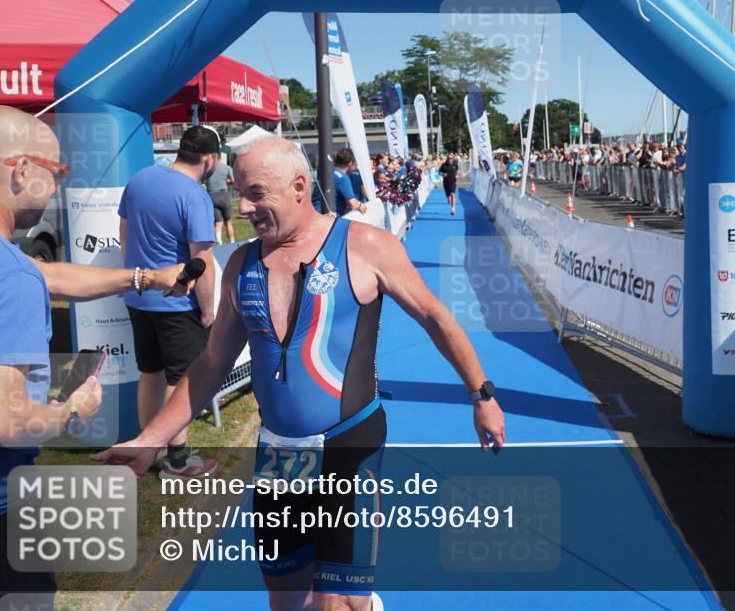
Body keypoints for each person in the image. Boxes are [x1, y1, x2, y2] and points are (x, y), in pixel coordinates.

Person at [94, 137, 506, 611]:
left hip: (349, 444)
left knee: (336, 602)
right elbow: (210, 364)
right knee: (286, 598)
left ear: (298, 187)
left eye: (255, 193)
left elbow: (436, 317)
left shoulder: (365, 245)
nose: (243, 206)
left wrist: (482, 393)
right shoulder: (241, 266)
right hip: (279, 454)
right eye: (237, 191)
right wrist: (149, 442)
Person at [0, 106, 193, 610]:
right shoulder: (5, 276)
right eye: (56, 172)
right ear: (21, 170)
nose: (55, 186)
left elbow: (50, 277)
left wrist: (143, 277)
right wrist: (73, 408)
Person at [119, 124, 220, 479]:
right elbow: (202, 260)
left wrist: (135, 277)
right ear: (210, 159)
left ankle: (146, 449)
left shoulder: (140, 179)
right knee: (183, 381)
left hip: (139, 296)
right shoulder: (194, 195)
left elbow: (124, 234)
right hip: (177, 304)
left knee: (150, 372)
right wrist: (208, 311)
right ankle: (177, 460)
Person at [206, 150, 236, 245]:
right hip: (224, 196)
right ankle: (232, 242)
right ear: (220, 157)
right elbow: (233, 180)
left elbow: (202, 180)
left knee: (218, 223)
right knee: (228, 222)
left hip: (212, 196)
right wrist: (227, 182)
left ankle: (219, 241)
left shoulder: (208, 168)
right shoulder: (226, 167)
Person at [332, 148, 367, 217]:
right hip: (331, 218)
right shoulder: (343, 178)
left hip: (318, 214)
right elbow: (352, 203)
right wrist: (360, 205)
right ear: (350, 163)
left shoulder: (328, 172)